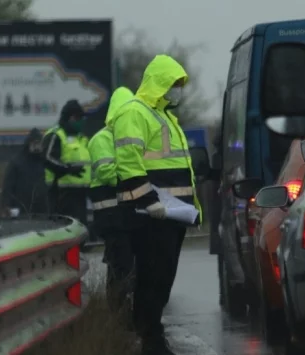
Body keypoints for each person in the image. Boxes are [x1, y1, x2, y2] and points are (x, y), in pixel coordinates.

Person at [109, 54, 201, 355]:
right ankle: (150, 342)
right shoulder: (135, 113)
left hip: (172, 215)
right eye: (173, 83)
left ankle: (151, 338)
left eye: (178, 84)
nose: (176, 89)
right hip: (150, 215)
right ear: (158, 82)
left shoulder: (165, 117)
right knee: (153, 280)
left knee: (162, 280)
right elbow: (128, 161)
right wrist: (148, 202)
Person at [87, 86, 136, 314]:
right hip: (111, 217)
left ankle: (123, 312)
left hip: (126, 216)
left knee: (126, 266)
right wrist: (133, 171)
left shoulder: (129, 138)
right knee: (120, 266)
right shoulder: (101, 139)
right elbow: (107, 174)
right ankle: (117, 313)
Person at [42, 99, 91, 227]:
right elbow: (47, 158)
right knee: (64, 228)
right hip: (61, 193)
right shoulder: (56, 135)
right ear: (70, 118)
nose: (81, 121)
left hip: (81, 194)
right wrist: (68, 169)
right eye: (78, 118)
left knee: (81, 229)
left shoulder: (81, 138)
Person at [1, 128, 49, 216]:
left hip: (43, 207)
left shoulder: (46, 161)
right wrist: (6, 205)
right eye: (35, 143)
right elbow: (8, 185)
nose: (37, 146)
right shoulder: (17, 162)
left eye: (39, 143)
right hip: (21, 207)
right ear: (29, 143)